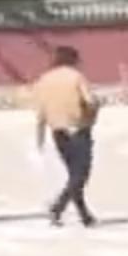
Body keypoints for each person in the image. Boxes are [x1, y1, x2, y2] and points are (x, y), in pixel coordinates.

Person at [30, 45, 99, 229]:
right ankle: (58, 207)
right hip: (78, 128)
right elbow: (90, 100)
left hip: (57, 131)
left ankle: (85, 216)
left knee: (74, 176)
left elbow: (40, 112)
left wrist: (40, 136)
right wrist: (94, 112)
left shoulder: (44, 80)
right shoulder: (76, 77)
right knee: (79, 175)